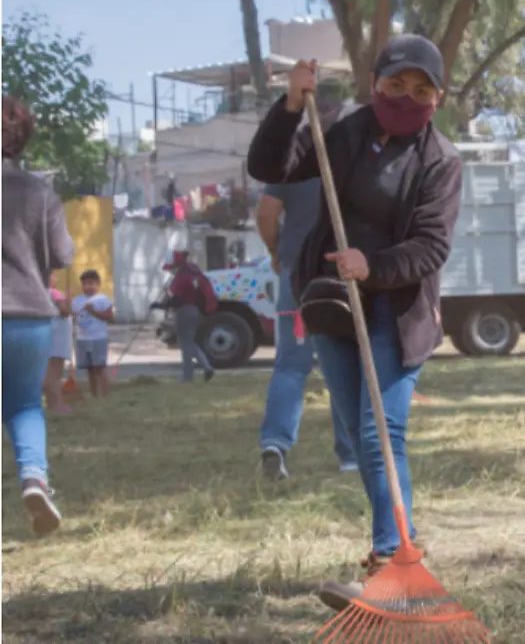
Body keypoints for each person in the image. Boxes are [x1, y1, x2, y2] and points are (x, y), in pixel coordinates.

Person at [246, 35, 463, 611]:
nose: (407, 97)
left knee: (379, 433)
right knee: (360, 436)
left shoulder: (441, 160)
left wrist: (374, 266)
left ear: (437, 99)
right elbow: (270, 165)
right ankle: (389, 558)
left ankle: (397, 565)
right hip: (332, 306)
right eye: (397, 85)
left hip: (398, 308)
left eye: (422, 90)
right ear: (376, 84)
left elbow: (431, 246)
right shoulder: (341, 128)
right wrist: (292, 104)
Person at [257, 79, 357, 479]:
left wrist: (277, 252)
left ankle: (274, 443)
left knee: (291, 366)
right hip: (337, 275)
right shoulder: (354, 155)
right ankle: (350, 455)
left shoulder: (294, 156)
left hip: (296, 277)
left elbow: (266, 213)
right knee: (343, 362)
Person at [2, 94, 74, 535]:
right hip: (28, 315)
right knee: (26, 404)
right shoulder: (39, 191)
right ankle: (35, 479)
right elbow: (64, 253)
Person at [153, 251, 215, 382]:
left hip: (184, 312)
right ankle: (207, 367)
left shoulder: (181, 277)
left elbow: (175, 300)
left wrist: (159, 305)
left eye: (171, 267)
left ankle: (188, 377)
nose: (170, 271)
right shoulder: (193, 273)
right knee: (190, 342)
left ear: (176, 264)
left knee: (185, 345)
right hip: (196, 311)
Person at [71, 269, 114, 397]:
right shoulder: (77, 300)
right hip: (82, 338)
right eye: (85, 284)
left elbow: (110, 317)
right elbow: (74, 316)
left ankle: (105, 394)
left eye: (91, 283)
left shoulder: (102, 299)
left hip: (98, 338)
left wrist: (94, 311)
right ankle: (94, 394)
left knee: (99, 367)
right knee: (89, 369)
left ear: (98, 284)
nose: (88, 286)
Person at [43, 274, 73, 413]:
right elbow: (64, 311)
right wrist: (67, 300)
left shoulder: (39, 293)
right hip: (58, 338)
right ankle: (56, 405)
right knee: (55, 374)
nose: (55, 277)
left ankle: (50, 402)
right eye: (53, 275)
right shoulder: (54, 292)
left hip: (47, 335)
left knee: (48, 372)